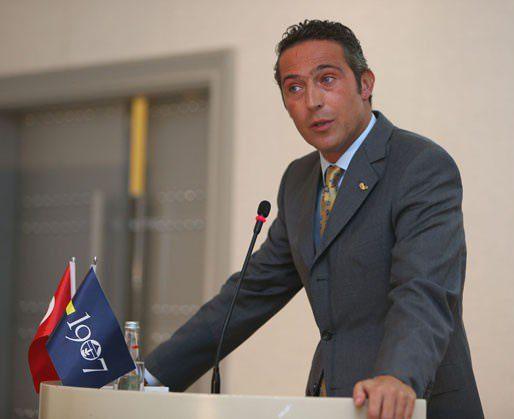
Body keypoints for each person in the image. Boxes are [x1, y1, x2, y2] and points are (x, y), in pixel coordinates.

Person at [145, 20, 484, 419]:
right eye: (294, 88)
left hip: (414, 400)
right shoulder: (299, 181)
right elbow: (251, 293)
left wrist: (397, 376)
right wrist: (149, 375)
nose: (312, 101)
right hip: (333, 402)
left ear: (365, 84)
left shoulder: (420, 165)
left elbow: (424, 290)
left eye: (327, 79)